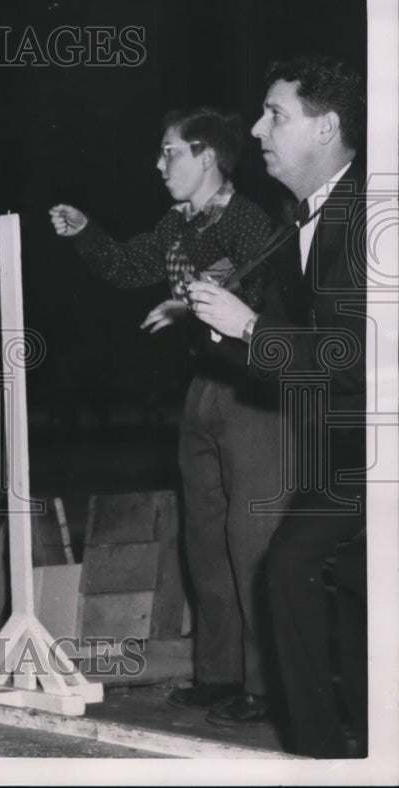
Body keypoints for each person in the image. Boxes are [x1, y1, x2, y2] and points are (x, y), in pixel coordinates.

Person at [50, 107, 285, 726]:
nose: (159, 166)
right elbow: (129, 266)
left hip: (254, 396)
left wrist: (185, 304)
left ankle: (267, 685)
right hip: (202, 392)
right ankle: (219, 674)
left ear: (206, 155)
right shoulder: (178, 223)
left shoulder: (248, 221)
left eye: (169, 153)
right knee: (205, 542)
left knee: (249, 542)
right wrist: (84, 232)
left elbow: (249, 289)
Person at [188, 55, 367, 756]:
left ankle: (327, 754)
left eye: (276, 115)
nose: (258, 128)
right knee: (335, 584)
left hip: (370, 454)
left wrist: (248, 328)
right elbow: (308, 358)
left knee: (294, 568)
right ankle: (351, 748)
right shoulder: (313, 215)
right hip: (348, 455)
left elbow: (348, 358)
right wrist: (218, 327)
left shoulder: (363, 217)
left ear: (325, 128)